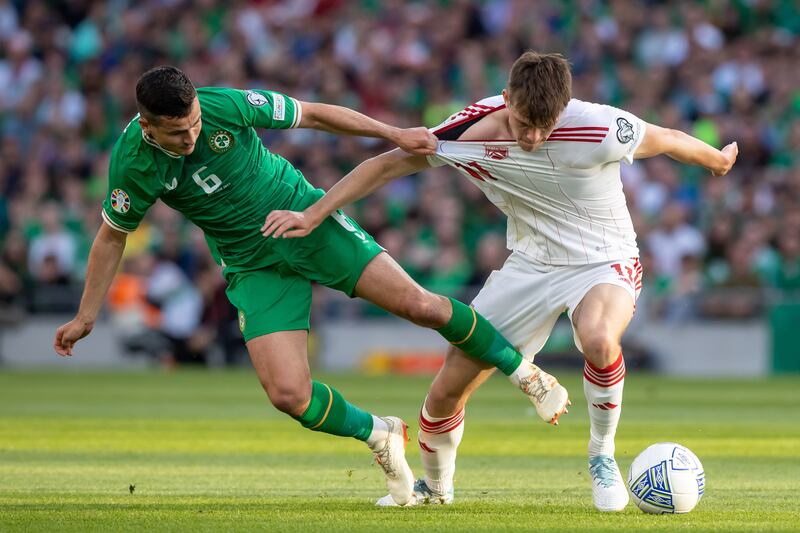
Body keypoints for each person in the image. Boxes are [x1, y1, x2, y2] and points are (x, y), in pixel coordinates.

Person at [53, 66, 570, 506]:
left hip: (306, 219)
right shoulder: (133, 165)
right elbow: (110, 238)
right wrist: (86, 315)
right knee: (288, 395)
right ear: (147, 125)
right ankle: (380, 433)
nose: (190, 138)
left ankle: (525, 372)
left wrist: (393, 133)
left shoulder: (226, 106)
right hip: (251, 262)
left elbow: (315, 114)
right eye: (176, 134)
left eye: (193, 126)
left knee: (421, 305)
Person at [262, 51, 739, 511]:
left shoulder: (600, 128)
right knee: (447, 390)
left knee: (598, 337)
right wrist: (314, 212)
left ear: (563, 111)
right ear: (507, 97)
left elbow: (669, 138)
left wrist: (716, 160)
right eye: (521, 123)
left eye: (544, 126)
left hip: (604, 259)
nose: (531, 137)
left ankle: (601, 452)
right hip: (530, 264)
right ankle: (436, 487)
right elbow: (385, 165)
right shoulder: (465, 131)